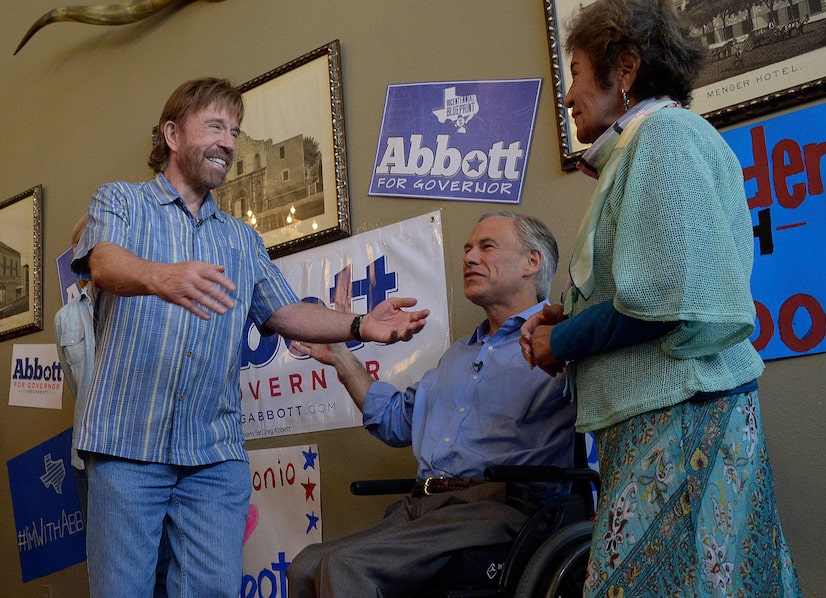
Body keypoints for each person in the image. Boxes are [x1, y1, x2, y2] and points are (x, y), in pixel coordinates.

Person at [70, 77, 430, 598]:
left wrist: (359, 326)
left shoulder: (240, 238)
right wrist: (162, 276)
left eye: (235, 132)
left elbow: (284, 312)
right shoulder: (120, 202)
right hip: (128, 448)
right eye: (215, 126)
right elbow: (102, 263)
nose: (229, 142)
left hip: (213, 459)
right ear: (172, 134)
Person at [519, 1, 801, 596]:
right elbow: (640, 282)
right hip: (668, 416)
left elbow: (665, 299)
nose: (567, 96)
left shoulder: (665, 136)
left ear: (623, 70)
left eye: (574, 72)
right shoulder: (645, 144)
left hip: (685, 419)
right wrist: (564, 313)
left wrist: (561, 339)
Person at [287, 211, 577, 597]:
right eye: (467, 249)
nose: (470, 257)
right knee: (305, 564)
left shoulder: (560, 342)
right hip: (424, 507)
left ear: (532, 261)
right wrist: (341, 356)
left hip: (501, 509)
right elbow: (394, 420)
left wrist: (569, 331)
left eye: (486, 247)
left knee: (346, 569)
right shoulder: (457, 356)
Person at [54, 215, 95, 522]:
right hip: (85, 460)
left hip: (135, 462)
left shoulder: (133, 305)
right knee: (99, 559)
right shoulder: (64, 320)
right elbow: (75, 386)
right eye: (75, 246)